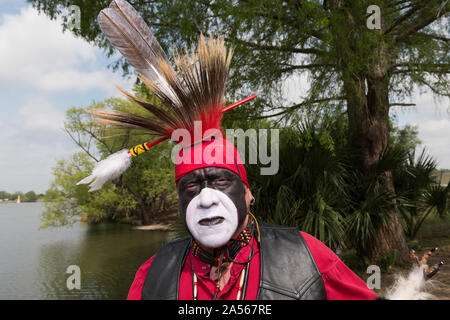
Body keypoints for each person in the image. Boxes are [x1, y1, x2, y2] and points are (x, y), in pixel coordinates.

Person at [79, 0, 440, 300]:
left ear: (248, 193)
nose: (204, 199)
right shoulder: (154, 273)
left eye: (220, 182)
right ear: (178, 202)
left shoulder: (306, 256)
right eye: (190, 187)